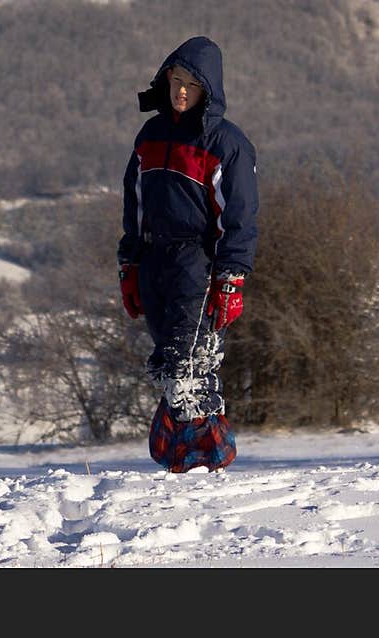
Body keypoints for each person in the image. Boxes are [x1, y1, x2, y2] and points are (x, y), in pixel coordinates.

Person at [117, 35, 258, 472]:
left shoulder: (226, 144)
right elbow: (134, 203)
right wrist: (130, 264)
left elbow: (239, 217)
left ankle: (207, 458)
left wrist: (230, 278)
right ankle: (181, 455)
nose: (180, 92)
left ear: (208, 91)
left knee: (190, 364)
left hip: (197, 263)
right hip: (154, 259)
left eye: (191, 86)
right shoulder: (151, 135)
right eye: (176, 81)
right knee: (167, 363)